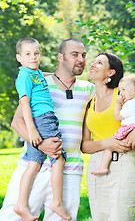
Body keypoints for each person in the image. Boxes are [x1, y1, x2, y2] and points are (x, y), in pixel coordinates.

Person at [0, 38, 100, 221]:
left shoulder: (89, 90)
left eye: (84, 55)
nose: (81, 59)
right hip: (35, 165)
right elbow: (17, 122)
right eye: (75, 54)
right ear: (60, 57)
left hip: (69, 170)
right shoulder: (39, 82)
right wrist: (41, 145)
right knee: (11, 218)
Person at [81, 52, 135, 221]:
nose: (92, 64)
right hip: (97, 166)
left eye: (99, 63)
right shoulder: (89, 103)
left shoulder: (122, 95)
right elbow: (85, 146)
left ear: (111, 73)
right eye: (93, 61)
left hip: (124, 162)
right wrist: (108, 143)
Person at [13, 37, 71, 221]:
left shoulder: (34, 72)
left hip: (43, 120)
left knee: (34, 164)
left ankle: (21, 204)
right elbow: (24, 105)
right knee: (59, 158)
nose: (33, 57)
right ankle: (57, 202)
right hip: (42, 120)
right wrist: (31, 130)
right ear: (19, 58)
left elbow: (45, 74)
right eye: (28, 54)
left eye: (36, 53)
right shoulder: (24, 76)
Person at [91, 73, 135, 197]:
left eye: (123, 90)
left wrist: (118, 104)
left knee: (109, 146)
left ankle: (103, 167)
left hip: (128, 133)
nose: (120, 93)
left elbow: (118, 116)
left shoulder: (129, 105)